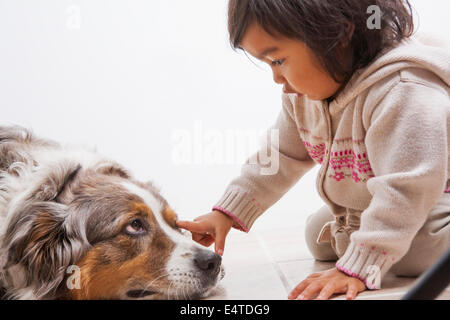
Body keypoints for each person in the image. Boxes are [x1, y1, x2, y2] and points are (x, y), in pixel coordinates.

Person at [176, 0, 450, 300]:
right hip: (384, 199)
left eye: (278, 61)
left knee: (418, 250)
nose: (276, 78)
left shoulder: (402, 88)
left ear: (339, 34)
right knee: (318, 235)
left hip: (433, 199)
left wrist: (358, 267)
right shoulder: (304, 95)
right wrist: (226, 213)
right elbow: (280, 155)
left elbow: (407, 189)